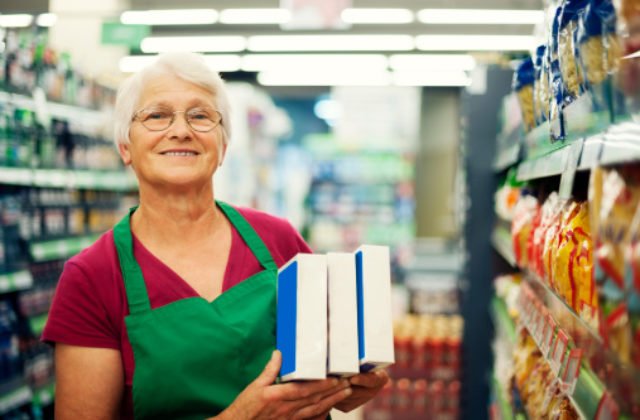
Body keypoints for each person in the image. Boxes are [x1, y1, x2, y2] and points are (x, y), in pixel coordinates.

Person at [42, 52, 388, 419]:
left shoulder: (279, 241)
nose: (181, 130)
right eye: (157, 115)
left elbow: (333, 365)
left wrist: (350, 385)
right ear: (125, 146)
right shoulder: (93, 276)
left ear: (223, 146)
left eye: (201, 116)